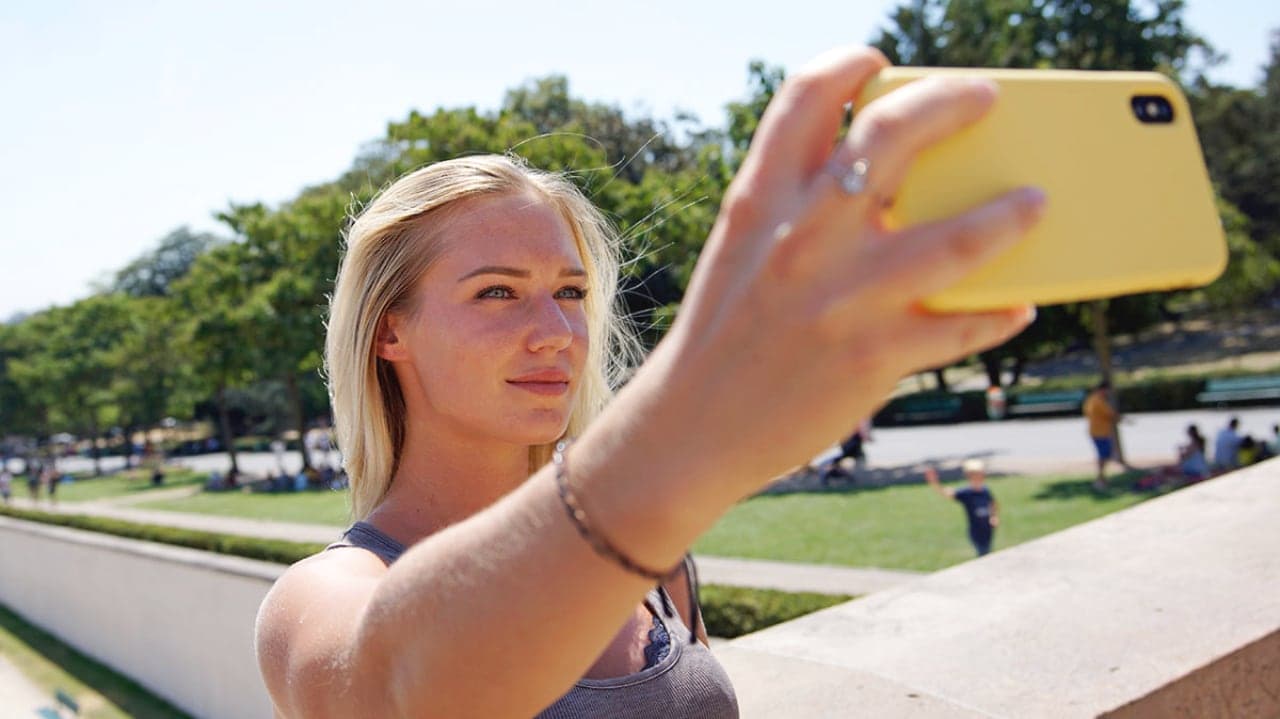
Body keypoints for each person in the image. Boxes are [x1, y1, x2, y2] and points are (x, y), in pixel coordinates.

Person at [254, 46, 1044, 718]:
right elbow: (400, 686)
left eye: (569, 292)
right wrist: (691, 421)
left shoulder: (653, 553)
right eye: (497, 291)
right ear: (389, 330)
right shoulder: (317, 598)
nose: (558, 332)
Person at [924, 460, 1000, 556]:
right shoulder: (966, 493)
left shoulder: (985, 490)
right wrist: (934, 482)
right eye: (976, 474)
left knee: (988, 552)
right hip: (976, 531)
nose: (980, 476)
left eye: (981, 474)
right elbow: (947, 493)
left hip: (988, 530)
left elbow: (993, 504)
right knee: (983, 553)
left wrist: (994, 517)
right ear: (969, 476)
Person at [1082, 380, 1122, 489]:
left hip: (1096, 431)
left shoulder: (1091, 399)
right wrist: (1118, 417)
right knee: (1103, 456)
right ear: (1102, 390)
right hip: (1100, 432)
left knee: (1103, 456)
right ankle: (1100, 480)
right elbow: (1110, 414)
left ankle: (1101, 478)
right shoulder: (1098, 401)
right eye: (1106, 391)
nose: (1107, 393)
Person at [820, 419, 872, 485]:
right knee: (831, 463)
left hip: (848, 446)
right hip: (849, 446)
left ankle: (828, 477)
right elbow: (865, 435)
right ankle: (850, 478)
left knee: (830, 462)